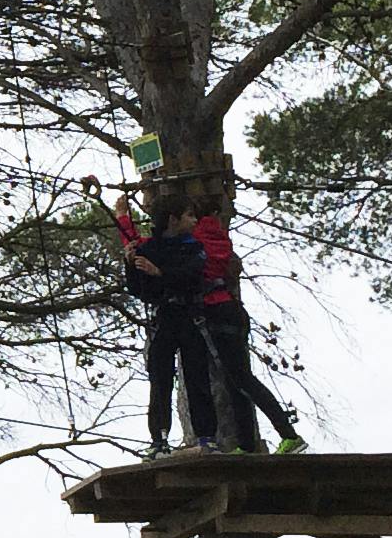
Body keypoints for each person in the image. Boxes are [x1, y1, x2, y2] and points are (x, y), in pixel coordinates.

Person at [97, 177, 217, 454]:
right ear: (173, 219)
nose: (194, 220)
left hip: (190, 315)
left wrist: (159, 272)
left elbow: (192, 277)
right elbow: (141, 290)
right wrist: (131, 265)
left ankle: (207, 436)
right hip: (165, 316)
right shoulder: (151, 248)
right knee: (160, 378)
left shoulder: (194, 248)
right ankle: (159, 438)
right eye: (189, 215)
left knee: (197, 376)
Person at [186, 191, 306, 454]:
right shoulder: (219, 235)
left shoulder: (194, 238)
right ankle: (246, 445)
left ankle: (288, 434)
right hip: (232, 309)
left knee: (241, 379)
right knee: (235, 381)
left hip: (216, 310)